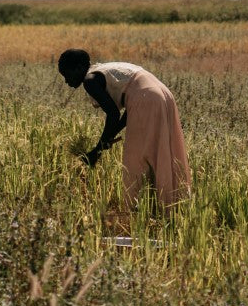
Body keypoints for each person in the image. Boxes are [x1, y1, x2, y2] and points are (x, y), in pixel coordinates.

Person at [57, 49, 191, 208]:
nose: (66, 81)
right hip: (162, 94)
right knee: (158, 150)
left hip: (147, 99)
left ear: (79, 68)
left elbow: (113, 114)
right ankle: (167, 207)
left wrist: (97, 150)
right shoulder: (103, 70)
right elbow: (128, 110)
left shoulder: (90, 79)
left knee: (137, 159)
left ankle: (140, 209)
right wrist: (107, 139)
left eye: (67, 75)